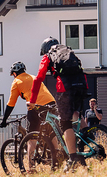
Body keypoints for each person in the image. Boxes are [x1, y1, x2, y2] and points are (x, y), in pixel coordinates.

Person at [29, 37, 88, 169]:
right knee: (75, 114)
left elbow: (38, 79)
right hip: (82, 85)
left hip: (65, 88)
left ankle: (72, 158)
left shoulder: (48, 56)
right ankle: (88, 135)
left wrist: (32, 101)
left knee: (65, 122)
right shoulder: (68, 52)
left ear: (45, 49)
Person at [0, 61, 56, 133]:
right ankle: (53, 144)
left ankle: (31, 143)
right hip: (51, 103)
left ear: (14, 73)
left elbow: (11, 104)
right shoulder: (33, 77)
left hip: (36, 105)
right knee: (50, 132)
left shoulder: (16, 82)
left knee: (32, 134)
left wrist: (4, 120)